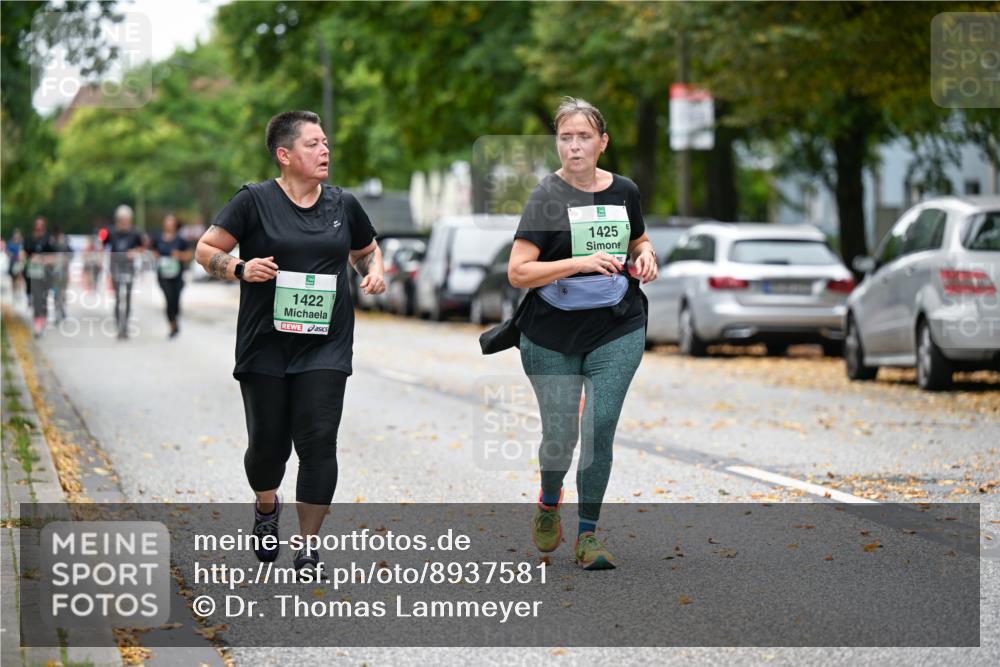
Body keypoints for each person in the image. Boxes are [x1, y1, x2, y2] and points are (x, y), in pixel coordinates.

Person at [195, 110, 384, 571]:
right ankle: (265, 506)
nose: (325, 151)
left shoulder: (344, 204)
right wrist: (240, 267)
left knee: (319, 440)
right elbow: (206, 250)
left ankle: (308, 546)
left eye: (326, 143)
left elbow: (366, 251)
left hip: (326, 342)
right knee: (268, 447)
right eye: (313, 144)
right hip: (266, 344)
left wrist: (374, 271)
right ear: (284, 155)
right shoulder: (253, 201)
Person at [507, 97, 658, 570]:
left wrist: (647, 254)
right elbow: (518, 272)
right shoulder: (544, 198)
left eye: (584, 137)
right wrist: (578, 263)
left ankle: (588, 535)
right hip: (551, 331)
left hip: (616, 324)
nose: (574, 147)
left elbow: (637, 239)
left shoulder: (625, 191)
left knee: (600, 425)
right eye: (566, 137)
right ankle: (550, 500)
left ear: (602, 142)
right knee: (561, 435)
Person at [104, 205, 144, 340]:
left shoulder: (135, 233)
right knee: (117, 297)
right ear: (118, 220)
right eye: (122, 220)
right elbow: (102, 243)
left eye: (127, 220)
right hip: (115, 267)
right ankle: (118, 323)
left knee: (127, 298)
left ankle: (125, 325)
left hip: (129, 268)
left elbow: (142, 247)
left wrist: (135, 252)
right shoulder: (111, 232)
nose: (125, 223)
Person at [151, 214, 191, 338]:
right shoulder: (158, 238)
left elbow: (189, 254)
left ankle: (175, 318)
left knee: (175, 300)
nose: (168, 224)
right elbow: (153, 251)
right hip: (163, 274)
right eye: (167, 222)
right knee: (169, 299)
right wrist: (157, 256)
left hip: (177, 275)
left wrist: (179, 255)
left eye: (171, 222)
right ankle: (172, 326)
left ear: (175, 225)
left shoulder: (181, 240)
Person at [24, 217, 57, 337]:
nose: (39, 228)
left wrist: (42, 259)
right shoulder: (29, 239)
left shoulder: (49, 240)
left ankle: (43, 320)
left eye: (41, 225)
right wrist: (30, 260)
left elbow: (54, 257)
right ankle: (37, 323)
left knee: (44, 298)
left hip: (46, 273)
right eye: (37, 225)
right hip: (34, 274)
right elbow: (24, 254)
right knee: (36, 298)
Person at [51, 227, 71, 323]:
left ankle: (62, 309)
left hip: (63, 273)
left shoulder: (67, 247)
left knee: (62, 293)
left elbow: (70, 256)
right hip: (55, 274)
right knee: (56, 294)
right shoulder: (53, 246)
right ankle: (57, 313)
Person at [5, 228, 25, 305]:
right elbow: (7, 252)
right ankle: (14, 292)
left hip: (19, 263)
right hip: (12, 263)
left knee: (19, 277)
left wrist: (21, 257)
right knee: (13, 278)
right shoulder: (10, 243)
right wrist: (12, 255)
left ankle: (19, 291)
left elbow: (23, 252)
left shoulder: (21, 242)